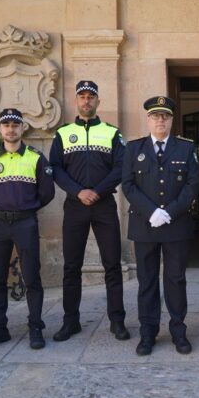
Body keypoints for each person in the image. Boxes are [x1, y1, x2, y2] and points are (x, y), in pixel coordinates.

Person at [49, 80, 130, 343]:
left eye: (91, 97)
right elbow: (56, 168)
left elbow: (121, 166)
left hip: (104, 205)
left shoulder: (111, 133)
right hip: (75, 207)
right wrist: (78, 192)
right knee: (71, 266)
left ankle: (117, 321)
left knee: (112, 265)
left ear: (98, 102)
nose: (86, 101)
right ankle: (70, 321)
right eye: (82, 96)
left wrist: (97, 190)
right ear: (76, 101)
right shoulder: (63, 134)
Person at [122, 96, 199, 356]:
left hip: (176, 225)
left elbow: (193, 185)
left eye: (165, 116)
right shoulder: (133, 149)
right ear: (148, 119)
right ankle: (148, 332)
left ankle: (179, 331)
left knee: (176, 280)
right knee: (146, 281)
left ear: (171, 120)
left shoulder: (186, 148)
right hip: (144, 225)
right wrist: (152, 211)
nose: (160, 120)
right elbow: (128, 185)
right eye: (155, 116)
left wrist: (170, 212)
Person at [0, 108, 55, 350]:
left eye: (15, 124)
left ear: (22, 128)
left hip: (26, 222)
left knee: (32, 277)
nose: (10, 129)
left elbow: (47, 192)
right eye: (6, 124)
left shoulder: (36, 158)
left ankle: (35, 328)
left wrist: (27, 209)